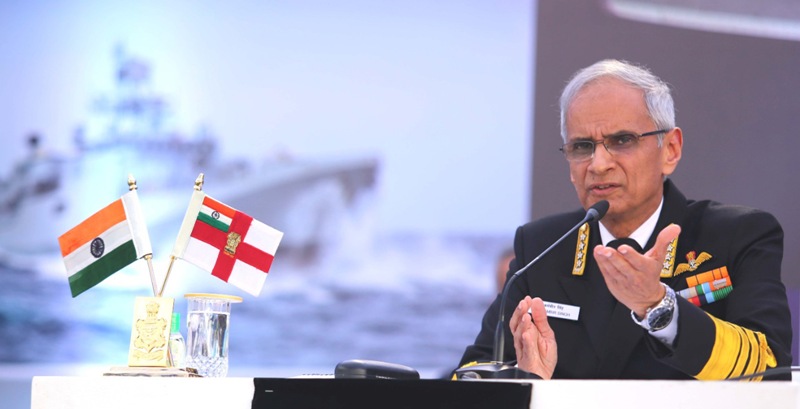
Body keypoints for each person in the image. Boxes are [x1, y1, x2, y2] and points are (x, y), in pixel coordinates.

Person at [458, 59, 793, 380]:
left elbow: (769, 369)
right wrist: (523, 379)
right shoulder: (542, 246)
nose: (598, 163)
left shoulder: (736, 236)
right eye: (582, 146)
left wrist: (659, 307)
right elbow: (473, 372)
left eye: (622, 140)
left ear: (670, 150)